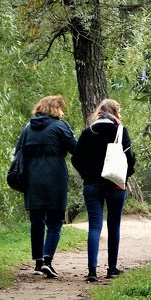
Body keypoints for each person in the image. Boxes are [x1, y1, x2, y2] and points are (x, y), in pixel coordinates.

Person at [71, 98, 136, 283]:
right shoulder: (120, 131)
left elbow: (76, 159)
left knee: (94, 227)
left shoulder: (88, 132)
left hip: (92, 186)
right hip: (115, 186)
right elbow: (130, 161)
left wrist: (88, 175)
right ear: (115, 112)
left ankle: (92, 271)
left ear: (100, 111)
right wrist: (124, 176)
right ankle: (112, 269)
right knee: (113, 226)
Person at [13, 94, 77, 279]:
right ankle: (48, 260)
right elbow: (76, 149)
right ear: (55, 108)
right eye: (61, 108)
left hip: (32, 179)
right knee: (56, 221)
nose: (63, 112)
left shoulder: (27, 128)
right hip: (55, 177)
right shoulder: (60, 127)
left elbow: (18, 152)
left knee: (37, 220)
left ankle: (38, 262)